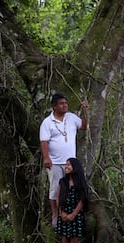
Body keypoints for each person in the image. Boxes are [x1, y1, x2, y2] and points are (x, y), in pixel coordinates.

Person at [39, 93, 88, 227]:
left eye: (65, 103)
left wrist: (85, 111)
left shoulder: (71, 118)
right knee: (55, 189)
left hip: (70, 163)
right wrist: (46, 158)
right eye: (61, 103)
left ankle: (71, 213)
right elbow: (44, 141)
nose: (65, 105)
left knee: (74, 187)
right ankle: (56, 214)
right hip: (55, 162)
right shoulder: (47, 122)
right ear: (54, 106)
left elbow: (84, 126)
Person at [55, 158, 88, 243]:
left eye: (69, 165)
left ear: (75, 167)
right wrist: (61, 213)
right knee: (64, 242)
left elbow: (82, 200)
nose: (66, 167)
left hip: (76, 215)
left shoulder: (80, 182)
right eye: (66, 165)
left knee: (74, 242)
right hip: (64, 214)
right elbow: (57, 198)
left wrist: (73, 214)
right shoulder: (62, 182)